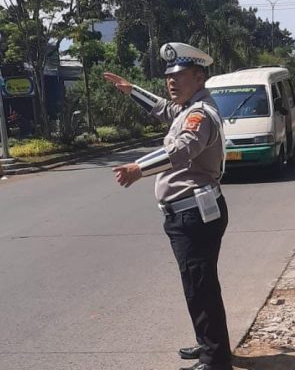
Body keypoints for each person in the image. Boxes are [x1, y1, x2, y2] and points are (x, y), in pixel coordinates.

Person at [104, 42, 231, 370]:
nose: (171, 83)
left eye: (180, 76)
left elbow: (182, 149)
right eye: (168, 78)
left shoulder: (200, 115)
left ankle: (215, 360)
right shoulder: (190, 107)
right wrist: (132, 91)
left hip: (194, 214)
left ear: (199, 77)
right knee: (198, 285)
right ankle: (209, 345)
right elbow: (163, 108)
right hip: (190, 212)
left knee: (200, 288)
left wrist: (138, 168)